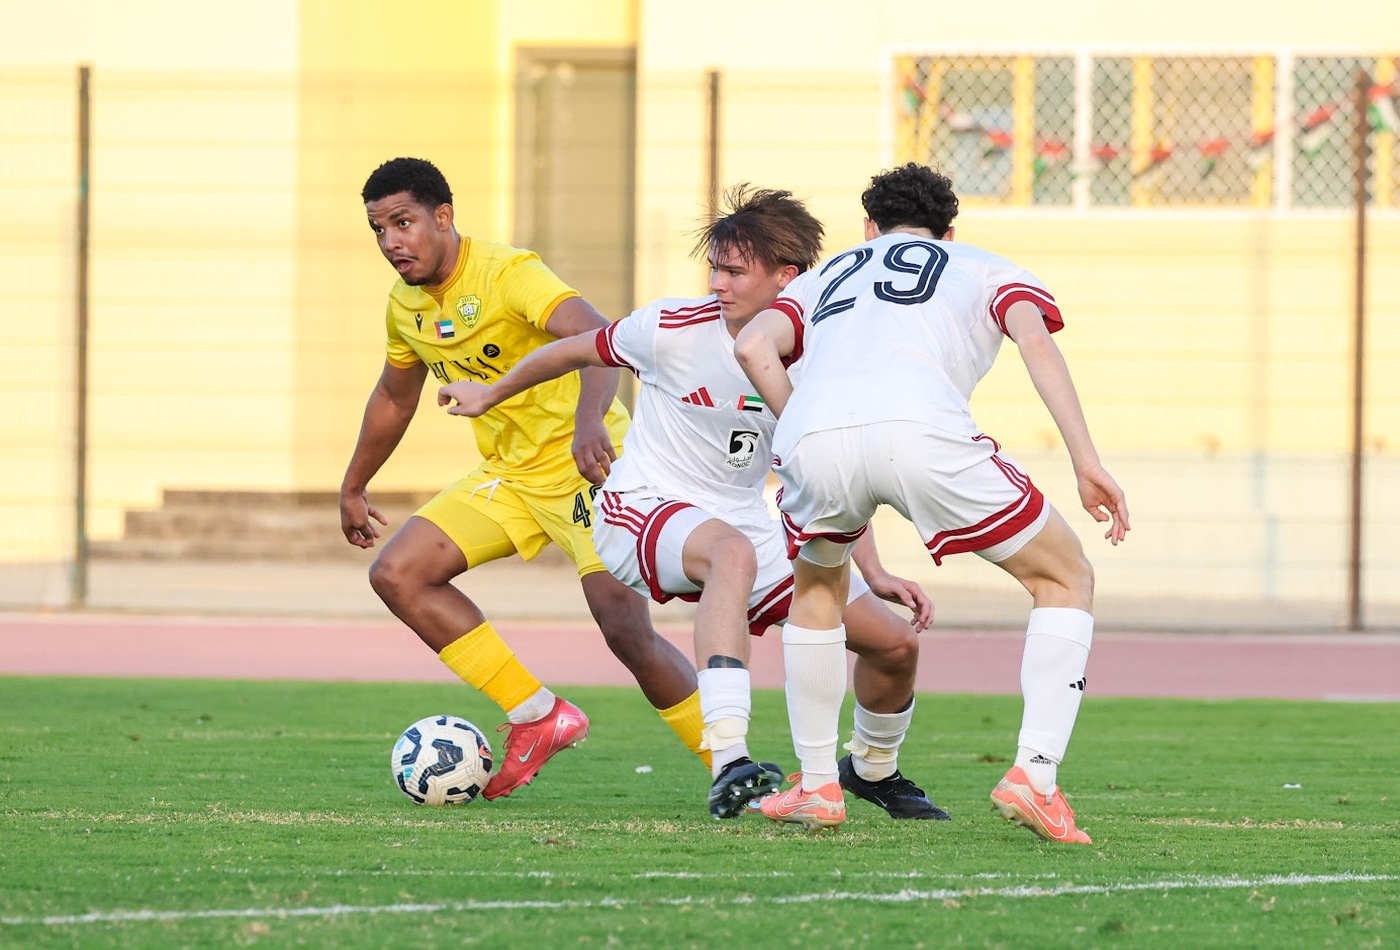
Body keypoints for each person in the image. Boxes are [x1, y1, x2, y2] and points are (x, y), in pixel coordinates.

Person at [440, 186, 947, 825]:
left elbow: (830, 474)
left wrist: (873, 572)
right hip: (642, 507)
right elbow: (575, 347)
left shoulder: (822, 353)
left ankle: (873, 768)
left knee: (894, 643)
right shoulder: (672, 327)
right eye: (715, 267)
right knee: (728, 553)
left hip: (742, 523)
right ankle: (730, 758)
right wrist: (492, 392)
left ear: (786, 278)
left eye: (734, 270)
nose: (717, 283)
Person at [734, 163, 1130, 841]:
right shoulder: (980, 264)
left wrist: (802, 422)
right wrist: (1086, 460)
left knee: (820, 589)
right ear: (949, 230)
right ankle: (1034, 775)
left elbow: (751, 344)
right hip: (924, 432)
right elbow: (1034, 340)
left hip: (815, 437)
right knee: (1065, 576)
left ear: (868, 228)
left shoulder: (825, 275)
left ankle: (818, 785)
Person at [341, 157, 705, 801]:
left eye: (404, 222)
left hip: (589, 467)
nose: (392, 242)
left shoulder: (510, 274)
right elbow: (395, 397)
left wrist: (589, 419)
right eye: (378, 229)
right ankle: (537, 716)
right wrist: (354, 485)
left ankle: (731, 765)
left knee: (624, 629)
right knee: (398, 574)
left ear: (443, 217)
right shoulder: (405, 306)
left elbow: (601, 337)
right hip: (509, 477)